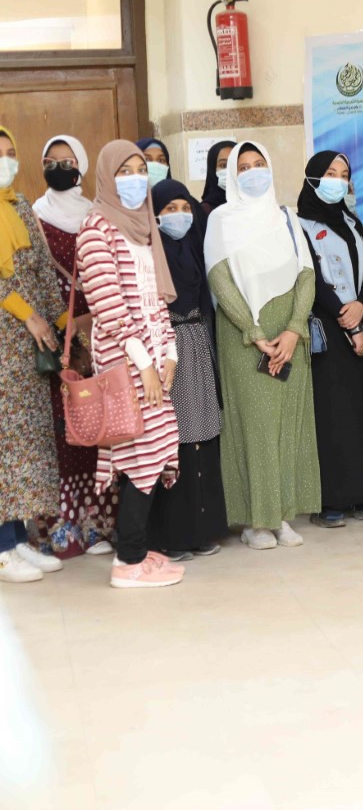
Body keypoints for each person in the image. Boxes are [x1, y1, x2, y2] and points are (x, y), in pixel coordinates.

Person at [76, 140, 185, 588]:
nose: (137, 178)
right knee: (142, 455)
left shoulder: (142, 226)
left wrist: (171, 353)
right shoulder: (96, 228)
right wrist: (143, 364)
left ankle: (135, 549)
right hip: (126, 365)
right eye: (125, 170)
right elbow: (108, 306)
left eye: (141, 169)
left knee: (154, 450)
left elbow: (156, 299)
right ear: (107, 176)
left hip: (154, 359)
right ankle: (129, 561)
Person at [205, 141, 321, 550]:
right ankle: (257, 520)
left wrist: (293, 328)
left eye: (259, 164)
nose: (253, 172)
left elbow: (306, 275)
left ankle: (283, 514)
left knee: (289, 424)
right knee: (254, 427)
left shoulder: (286, 216)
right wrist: (253, 331)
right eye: (244, 167)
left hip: (289, 335)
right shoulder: (221, 220)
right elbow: (219, 278)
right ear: (232, 176)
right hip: (244, 337)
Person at [31, 134, 117, 556]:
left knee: (97, 422)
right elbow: (31, 276)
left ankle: (98, 522)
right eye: (51, 161)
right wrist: (58, 326)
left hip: (96, 332)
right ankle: (60, 526)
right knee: (61, 429)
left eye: (68, 161)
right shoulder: (34, 216)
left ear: (81, 166)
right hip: (56, 336)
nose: (59, 168)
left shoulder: (96, 215)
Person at [296, 151, 363, 527]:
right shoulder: (299, 225)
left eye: (344, 174)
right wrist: (347, 319)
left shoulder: (352, 221)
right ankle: (330, 501)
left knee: (362, 411)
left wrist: (361, 306)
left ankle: (362, 495)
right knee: (332, 415)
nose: (338, 180)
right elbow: (310, 278)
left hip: (361, 322)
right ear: (313, 177)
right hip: (328, 329)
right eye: (330, 173)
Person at [147, 180, 228, 560]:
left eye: (185, 207)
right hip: (167, 351)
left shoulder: (194, 247)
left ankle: (202, 529)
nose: (179, 215)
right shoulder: (149, 256)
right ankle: (171, 534)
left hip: (197, 344)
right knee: (173, 440)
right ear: (154, 214)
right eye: (169, 209)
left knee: (203, 437)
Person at [0, 125, 65, 584]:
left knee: (25, 447)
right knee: (4, 447)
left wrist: (61, 322)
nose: (5, 160)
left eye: (9, 152)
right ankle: (2, 548)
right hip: (8, 338)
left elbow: (41, 267)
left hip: (30, 346)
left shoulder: (20, 206)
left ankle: (18, 537)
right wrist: (29, 316)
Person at [198, 139, 235, 216]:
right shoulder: (204, 211)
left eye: (234, 164)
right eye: (224, 165)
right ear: (212, 169)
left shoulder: (254, 204)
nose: (230, 170)